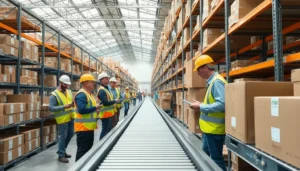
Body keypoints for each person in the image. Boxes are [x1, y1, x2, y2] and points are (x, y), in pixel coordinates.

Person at [189, 55, 227, 171]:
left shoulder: (217, 82)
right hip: (207, 129)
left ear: (205, 68)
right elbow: (214, 101)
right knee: (205, 154)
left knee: (216, 160)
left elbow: (222, 104)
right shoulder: (212, 82)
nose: (198, 74)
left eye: (198, 70)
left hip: (214, 130)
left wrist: (201, 106)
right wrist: (200, 104)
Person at [74, 74, 102, 161]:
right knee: (82, 150)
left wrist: (95, 110)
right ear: (85, 83)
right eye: (92, 82)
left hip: (88, 127)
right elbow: (81, 110)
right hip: (83, 128)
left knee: (88, 149)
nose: (93, 84)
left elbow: (89, 108)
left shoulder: (89, 94)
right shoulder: (82, 95)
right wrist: (95, 108)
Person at [49, 75, 75, 163]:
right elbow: (51, 108)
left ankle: (62, 150)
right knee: (63, 136)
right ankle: (61, 155)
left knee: (71, 134)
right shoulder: (54, 94)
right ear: (61, 83)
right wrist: (64, 106)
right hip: (62, 118)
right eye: (65, 84)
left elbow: (71, 102)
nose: (67, 86)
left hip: (71, 116)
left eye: (68, 84)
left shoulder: (69, 92)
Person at [97, 72, 120, 140]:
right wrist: (115, 101)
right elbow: (105, 103)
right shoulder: (101, 90)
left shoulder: (106, 89)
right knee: (105, 131)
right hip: (105, 115)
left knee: (108, 130)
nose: (108, 80)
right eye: (106, 78)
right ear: (102, 80)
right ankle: (101, 146)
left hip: (109, 114)